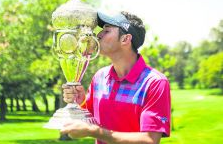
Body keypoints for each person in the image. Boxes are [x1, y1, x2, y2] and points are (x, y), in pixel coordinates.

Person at [61, 11, 171, 144]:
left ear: (125, 39)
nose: (98, 34)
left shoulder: (155, 83)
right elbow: (82, 126)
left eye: (106, 31)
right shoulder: (99, 77)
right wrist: (79, 103)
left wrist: (95, 132)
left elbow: (149, 140)